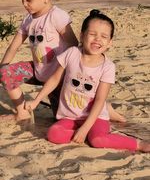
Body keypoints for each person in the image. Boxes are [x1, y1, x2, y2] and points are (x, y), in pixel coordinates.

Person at [0, 0, 124, 123]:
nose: (24, 4)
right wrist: (3, 66)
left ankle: (108, 110)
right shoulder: (28, 20)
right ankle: (22, 111)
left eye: (28, 0)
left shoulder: (57, 16)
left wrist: (81, 71)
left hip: (60, 77)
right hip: (39, 71)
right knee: (5, 73)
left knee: (63, 117)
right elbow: (14, 47)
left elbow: (75, 45)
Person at [25, 9, 150, 152]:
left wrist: (85, 128)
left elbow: (99, 101)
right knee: (54, 135)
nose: (97, 39)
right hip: (69, 116)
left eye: (104, 36)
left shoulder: (108, 67)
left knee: (97, 140)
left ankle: (138, 144)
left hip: (95, 117)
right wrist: (36, 100)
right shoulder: (71, 53)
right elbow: (54, 80)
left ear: (110, 43)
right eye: (92, 34)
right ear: (82, 36)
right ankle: (85, 135)